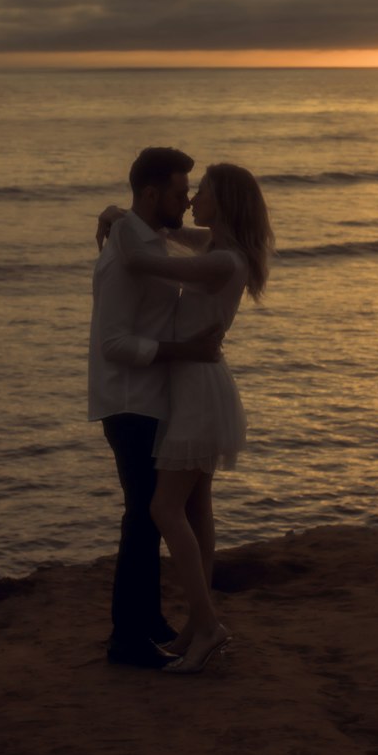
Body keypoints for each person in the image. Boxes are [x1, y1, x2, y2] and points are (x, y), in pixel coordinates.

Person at [102, 164, 274, 675]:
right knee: (197, 508)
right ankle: (198, 627)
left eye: (205, 192)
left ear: (225, 203)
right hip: (197, 388)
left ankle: (207, 625)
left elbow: (144, 261)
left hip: (198, 393)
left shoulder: (223, 261)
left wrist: (118, 225)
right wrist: (119, 212)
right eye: (192, 191)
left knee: (163, 509)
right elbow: (169, 232)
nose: (194, 196)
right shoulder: (220, 248)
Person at [89, 147, 225, 670]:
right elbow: (114, 344)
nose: (187, 200)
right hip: (129, 400)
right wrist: (184, 352)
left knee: (150, 517)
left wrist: (117, 215)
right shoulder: (124, 257)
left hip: (153, 397)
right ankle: (127, 638)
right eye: (177, 191)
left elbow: (205, 243)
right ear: (150, 194)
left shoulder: (143, 238)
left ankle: (147, 623)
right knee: (142, 517)